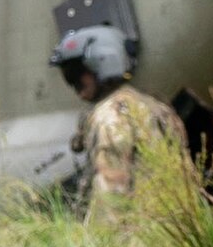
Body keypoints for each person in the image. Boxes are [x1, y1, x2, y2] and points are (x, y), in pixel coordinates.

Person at [66, 29, 179, 217]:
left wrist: (96, 244)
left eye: (77, 74)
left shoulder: (110, 118)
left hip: (139, 234)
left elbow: (110, 198)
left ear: (102, 64)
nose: (74, 84)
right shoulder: (153, 105)